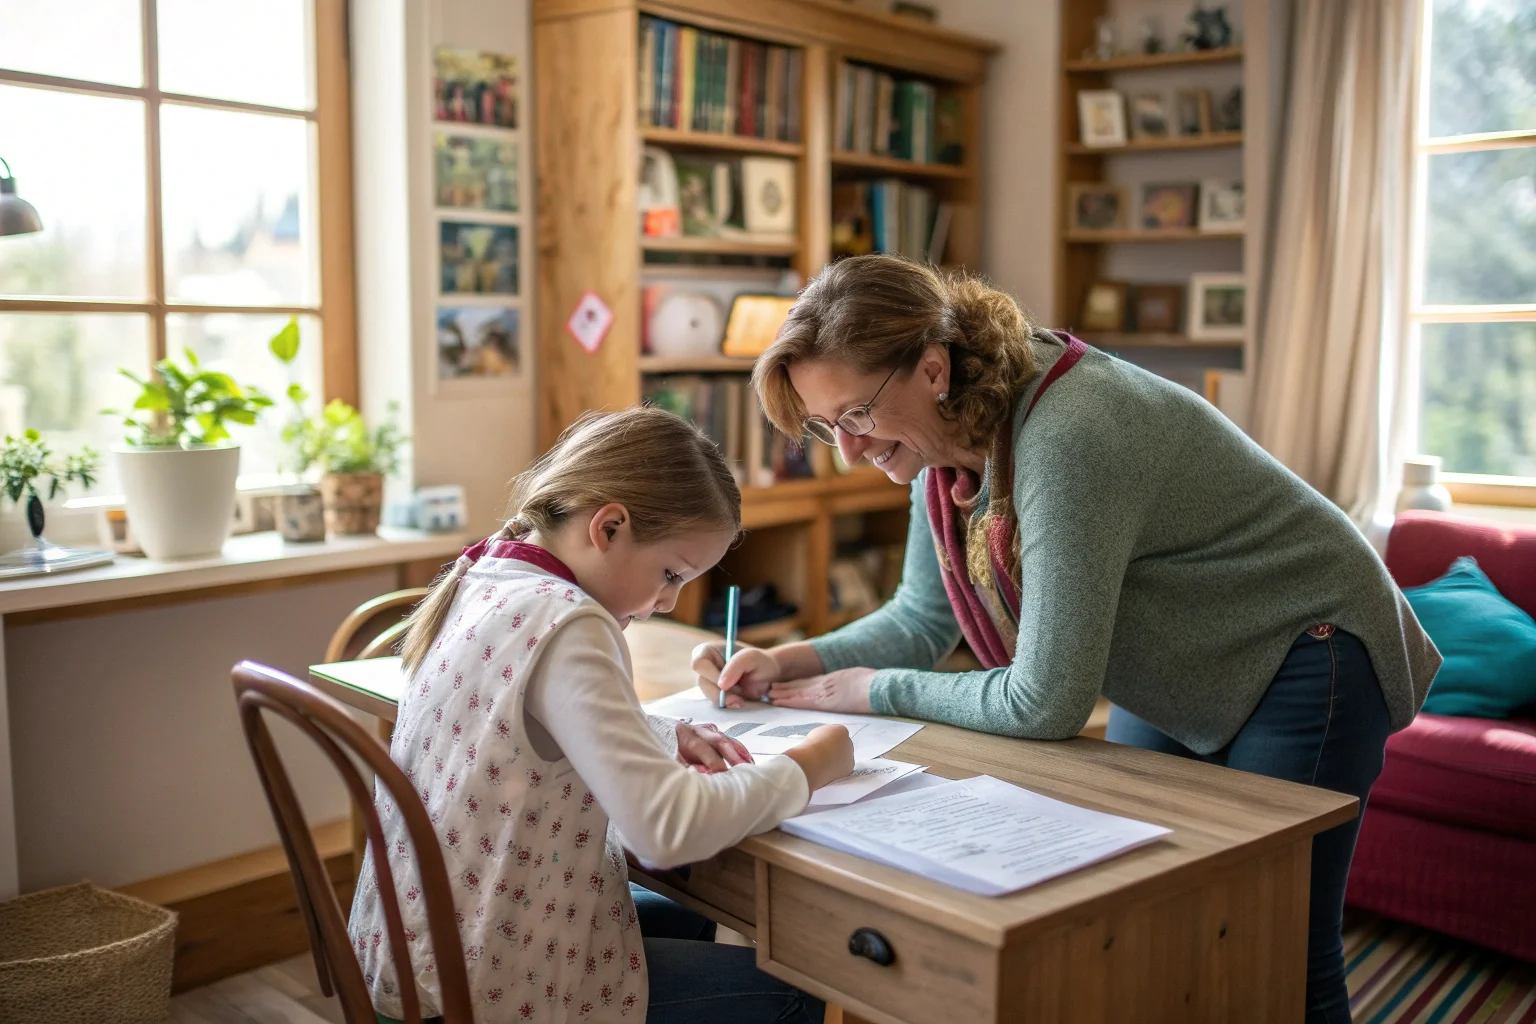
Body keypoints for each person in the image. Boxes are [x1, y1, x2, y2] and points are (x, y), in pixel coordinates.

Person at [694, 254, 1440, 1024]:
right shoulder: (941, 451)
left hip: (1309, 644)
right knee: (1149, 919)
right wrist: (792, 660)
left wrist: (868, 689)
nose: (848, 449)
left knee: (1276, 949)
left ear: (931, 368)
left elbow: (1045, 700)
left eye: (857, 414)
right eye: (827, 426)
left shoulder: (1068, 432)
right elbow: (920, 618)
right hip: (1175, 654)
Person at [350, 407, 851, 1023]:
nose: (668, 602)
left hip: (413, 956)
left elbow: (521, 724)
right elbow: (664, 829)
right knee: (794, 985)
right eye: (670, 574)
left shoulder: (487, 575)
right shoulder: (570, 622)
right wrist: (809, 765)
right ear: (609, 526)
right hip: (483, 988)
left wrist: (660, 732)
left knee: (698, 915)